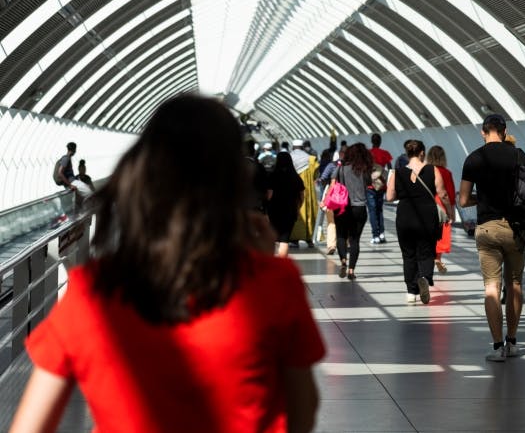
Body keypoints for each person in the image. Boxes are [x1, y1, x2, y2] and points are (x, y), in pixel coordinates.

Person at [10, 94, 324, 433]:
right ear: (233, 180)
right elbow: (302, 407)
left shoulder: (93, 292)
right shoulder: (274, 283)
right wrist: (260, 263)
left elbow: (30, 426)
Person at [459, 114, 525, 362]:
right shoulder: (517, 156)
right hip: (515, 228)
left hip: (487, 228)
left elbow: (464, 200)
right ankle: (513, 341)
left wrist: (482, 199)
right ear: (505, 130)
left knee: (491, 287)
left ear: (483, 131)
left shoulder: (474, 158)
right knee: (516, 284)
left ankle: (497, 347)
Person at [386, 139, 447, 304]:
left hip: (405, 216)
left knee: (408, 255)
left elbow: (389, 197)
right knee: (426, 251)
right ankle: (425, 278)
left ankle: (411, 292)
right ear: (422, 153)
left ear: (407, 153)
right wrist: (448, 211)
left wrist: (404, 193)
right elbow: (442, 193)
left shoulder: (397, 172)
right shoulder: (432, 170)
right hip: (427, 216)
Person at [330, 143, 371, 279]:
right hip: (359, 207)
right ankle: (351, 270)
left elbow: (332, 184)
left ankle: (343, 261)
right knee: (355, 240)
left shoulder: (340, 169)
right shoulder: (364, 170)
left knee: (341, 236)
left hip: (342, 206)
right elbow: (369, 184)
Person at [267, 151, 305, 258]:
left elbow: (269, 195)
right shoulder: (295, 177)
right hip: (290, 210)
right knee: (284, 239)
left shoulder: (273, 176)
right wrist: (298, 207)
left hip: (274, 210)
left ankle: (271, 262)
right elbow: (302, 196)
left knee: (273, 238)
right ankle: (282, 263)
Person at [426, 145, 456, 273]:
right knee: (441, 234)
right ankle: (437, 258)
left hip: (427, 205)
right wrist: (451, 212)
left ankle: (429, 258)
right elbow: (449, 193)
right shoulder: (446, 173)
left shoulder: (425, 171)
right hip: (442, 205)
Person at [288, 140, 318, 246]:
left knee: (294, 211)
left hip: (292, 190)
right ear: (302, 147)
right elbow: (315, 175)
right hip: (307, 190)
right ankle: (309, 238)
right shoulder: (311, 159)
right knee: (309, 211)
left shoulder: (289, 158)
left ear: (293, 147)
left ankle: (293, 238)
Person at [367, 134, 393, 244]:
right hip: (381, 185)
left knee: (372, 210)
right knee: (379, 209)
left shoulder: (367, 153)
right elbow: (390, 168)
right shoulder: (385, 154)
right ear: (380, 142)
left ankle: (375, 235)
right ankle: (382, 233)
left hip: (370, 185)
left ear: (372, 141)